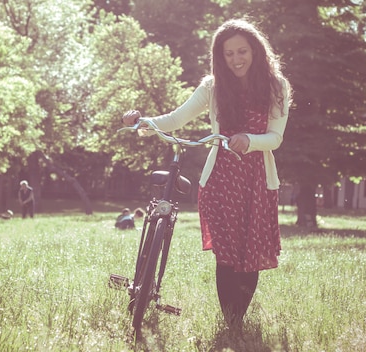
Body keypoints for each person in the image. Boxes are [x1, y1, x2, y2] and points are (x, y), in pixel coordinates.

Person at [122, 18, 291, 328]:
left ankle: (237, 319)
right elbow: (176, 118)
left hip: (257, 180)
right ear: (220, 56)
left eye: (242, 51)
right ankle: (230, 321)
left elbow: (276, 138)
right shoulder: (213, 87)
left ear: (255, 50)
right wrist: (144, 122)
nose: (236, 59)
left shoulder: (276, 86)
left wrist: (250, 141)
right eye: (229, 54)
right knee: (226, 255)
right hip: (220, 180)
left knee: (249, 254)